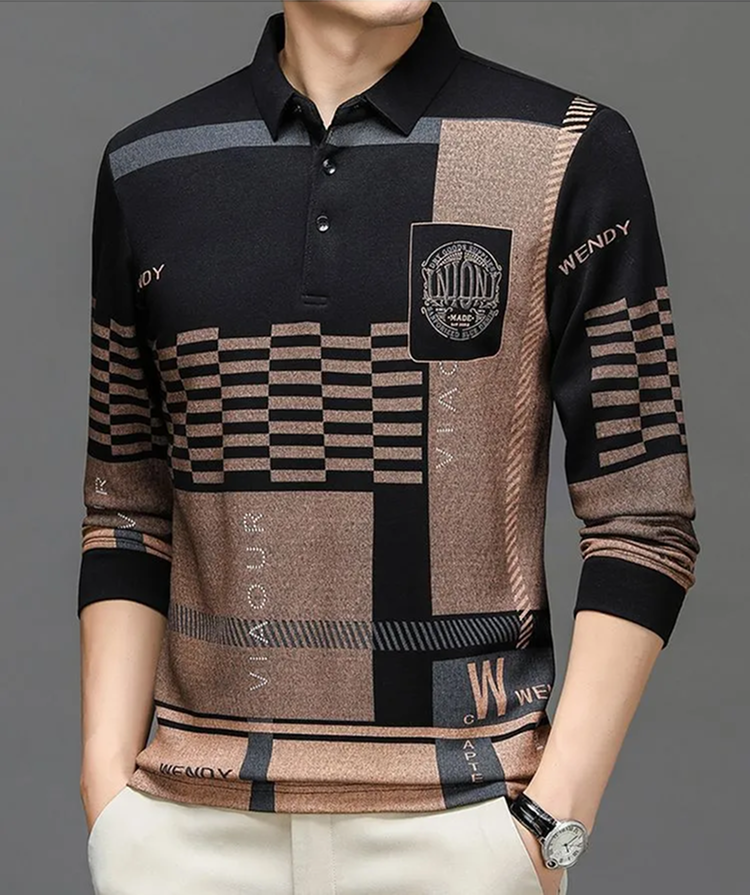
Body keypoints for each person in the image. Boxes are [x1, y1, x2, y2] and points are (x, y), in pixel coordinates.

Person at [77, 2, 700, 894]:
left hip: (460, 833)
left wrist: (551, 816)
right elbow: (126, 510)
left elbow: (646, 515)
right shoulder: (149, 167)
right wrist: (109, 791)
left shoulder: (565, 150)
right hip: (185, 834)